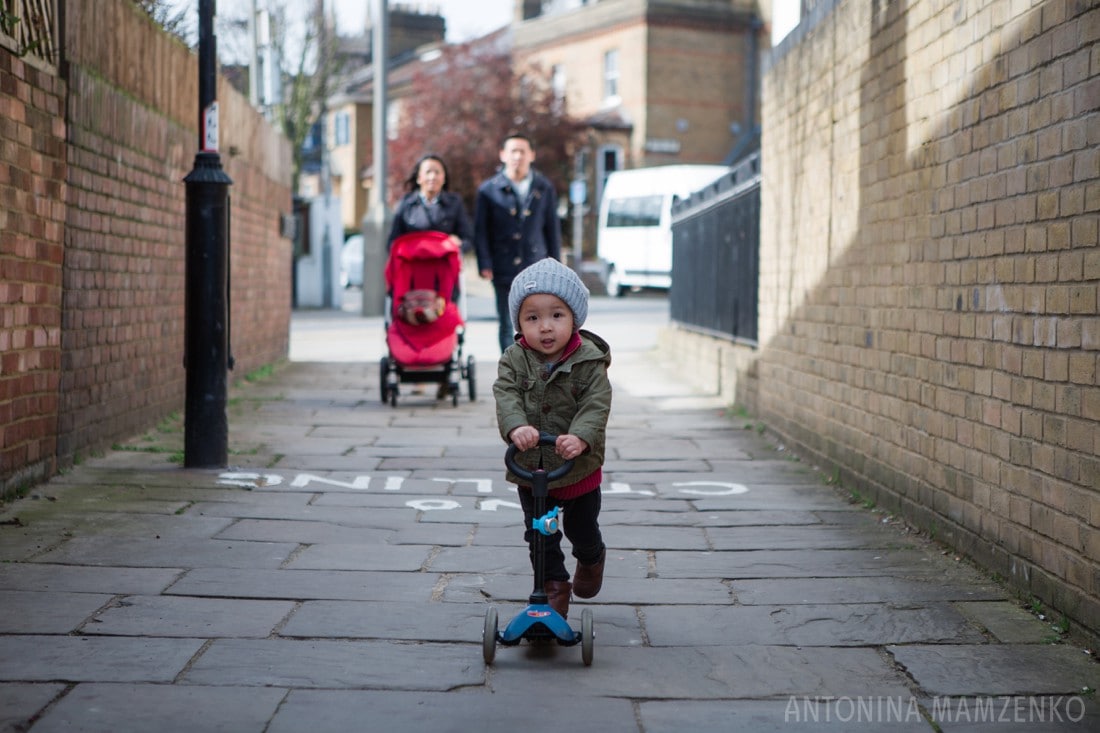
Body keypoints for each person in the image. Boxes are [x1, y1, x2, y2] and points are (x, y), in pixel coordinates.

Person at [493, 258, 611, 619]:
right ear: (519, 323)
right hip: (532, 470)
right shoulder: (514, 359)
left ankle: (591, 558)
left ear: (574, 318)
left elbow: (596, 403)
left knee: (581, 528)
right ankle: (554, 587)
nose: (545, 327)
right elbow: (506, 394)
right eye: (532, 318)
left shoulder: (590, 361)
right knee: (539, 536)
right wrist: (516, 428)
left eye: (556, 316)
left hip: (576, 471)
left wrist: (581, 436)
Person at [473, 133, 562, 353]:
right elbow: (481, 231)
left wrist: (556, 265)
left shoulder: (543, 187)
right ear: (503, 155)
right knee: (507, 323)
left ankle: (536, 372)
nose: (518, 156)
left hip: (536, 266)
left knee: (539, 322)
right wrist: (484, 263)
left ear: (531, 155)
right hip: (503, 265)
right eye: (513, 151)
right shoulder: (488, 190)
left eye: (523, 151)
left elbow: (552, 229)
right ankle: (511, 374)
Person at [388, 154, 473, 252]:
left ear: (444, 178)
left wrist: (457, 244)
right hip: (414, 263)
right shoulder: (406, 203)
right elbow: (392, 242)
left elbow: (468, 239)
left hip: (443, 264)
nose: (432, 177)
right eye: (428, 172)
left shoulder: (454, 203)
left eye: (437, 172)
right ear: (419, 178)